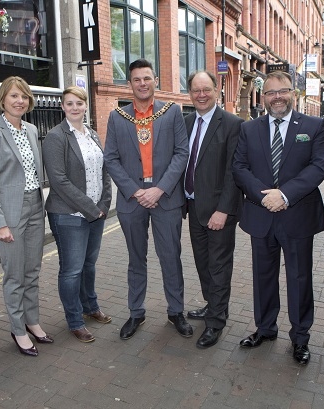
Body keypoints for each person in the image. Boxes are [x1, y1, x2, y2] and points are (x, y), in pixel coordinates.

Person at [232, 70, 324, 365]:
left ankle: (300, 338)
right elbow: (240, 167)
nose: (277, 97)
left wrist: (284, 195)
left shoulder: (313, 126)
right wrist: (264, 197)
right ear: (264, 98)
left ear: (294, 94)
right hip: (261, 215)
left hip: (297, 215)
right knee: (263, 276)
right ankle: (265, 328)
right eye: (271, 93)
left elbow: (318, 166)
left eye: (283, 91)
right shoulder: (250, 129)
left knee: (299, 278)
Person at [104, 58, 193, 340]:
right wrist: (135, 190)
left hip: (165, 198)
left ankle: (176, 311)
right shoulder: (118, 117)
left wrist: (160, 188)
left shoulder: (171, 113)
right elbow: (111, 158)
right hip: (132, 201)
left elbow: (182, 153)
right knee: (135, 258)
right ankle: (135, 313)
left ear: (155, 80)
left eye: (147, 78)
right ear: (129, 84)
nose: (142, 83)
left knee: (171, 257)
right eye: (136, 79)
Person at [0, 76, 53, 357]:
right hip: (10, 212)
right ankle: (17, 328)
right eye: (13, 96)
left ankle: (31, 320)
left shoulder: (32, 129)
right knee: (14, 275)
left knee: (32, 270)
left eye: (23, 96)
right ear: (2, 100)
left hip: (35, 206)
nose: (19, 101)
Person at [42, 86, 112, 343]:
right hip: (69, 214)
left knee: (89, 265)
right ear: (62, 107)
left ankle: (90, 306)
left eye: (79, 103)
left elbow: (104, 170)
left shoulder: (92, 134)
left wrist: (105, 202)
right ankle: (74, 320)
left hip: (96, 211)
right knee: (71, 270)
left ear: (85, 106)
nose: (74, 107)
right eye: (69, 103)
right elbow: (58, 181)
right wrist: (91, 209)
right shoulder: (56, 136)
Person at [183, 71, 243, 349]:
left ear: (217, 90)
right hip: (193, 206)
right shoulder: (185, 123)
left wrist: (224, 210)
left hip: (219, 211)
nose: (201, 95)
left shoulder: (232, 124)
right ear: (190, 94)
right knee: (203, 263)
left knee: (219, 267)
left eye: (206, 89)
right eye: (196, 90)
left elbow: (234, 172)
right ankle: (213, 306)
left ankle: (216, 321)